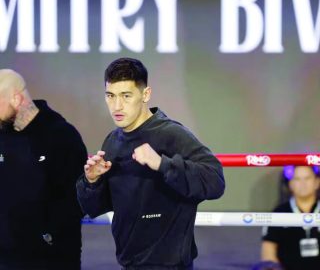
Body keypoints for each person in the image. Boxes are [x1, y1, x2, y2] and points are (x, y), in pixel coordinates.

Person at [76, 57, 225, 269]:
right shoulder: (112, 140)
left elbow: (215, 181)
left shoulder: (171, 134)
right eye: (110, 96)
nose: (117, 106)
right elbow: (95, 207)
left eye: (126, 96)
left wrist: (162, 164)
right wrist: (92, 181)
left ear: (145, 94)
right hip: (129, 263)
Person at [0, 69, 87, 270]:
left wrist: (46, 236)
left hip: (49, 259)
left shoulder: (62, 137)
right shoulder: (2, 136)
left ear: (16, 98)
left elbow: (77, 200)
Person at [261, 166, 320, 270]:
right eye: (297, 179)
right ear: (290, 184)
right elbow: (268, 252)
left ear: (317, 182)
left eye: (307, 178)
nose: (303, 183)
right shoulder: (278, 213)